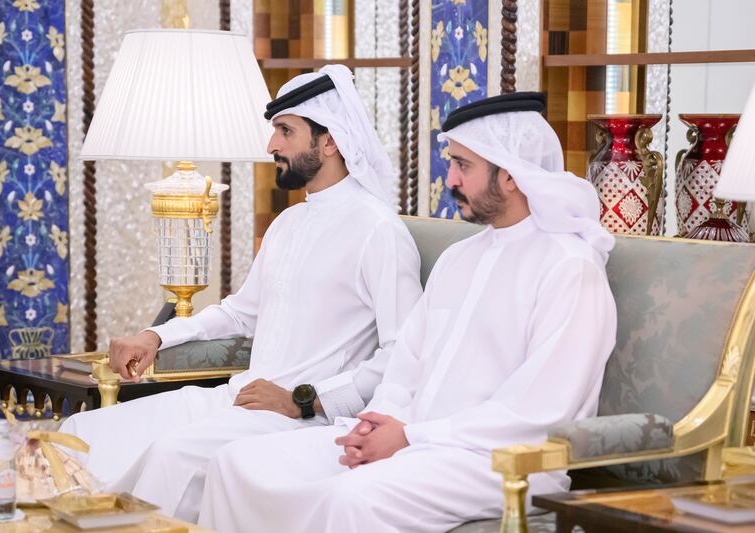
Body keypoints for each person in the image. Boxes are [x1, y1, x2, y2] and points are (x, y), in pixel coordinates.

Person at [196, 92, 618, 533]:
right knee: (235, 464)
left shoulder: (570, 267)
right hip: (415, 440)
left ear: (511, 176)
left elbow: (537, 411)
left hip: (496, 461)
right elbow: (405, 363)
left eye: (463, 166)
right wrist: (379, 424)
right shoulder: (461, 257)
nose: (449, 179)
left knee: (351, 499)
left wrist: (413, 436)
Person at [59, 64, 422, 522]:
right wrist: (157, 337)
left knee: (171, 456)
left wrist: (305, 400)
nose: (272, 145)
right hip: (237, 398)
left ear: (329, 141)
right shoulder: (289, 223)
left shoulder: (378, 231)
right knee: (87, 433)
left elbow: (403, 351)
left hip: (299, 417)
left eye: (285, 131)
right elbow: (238, 314)